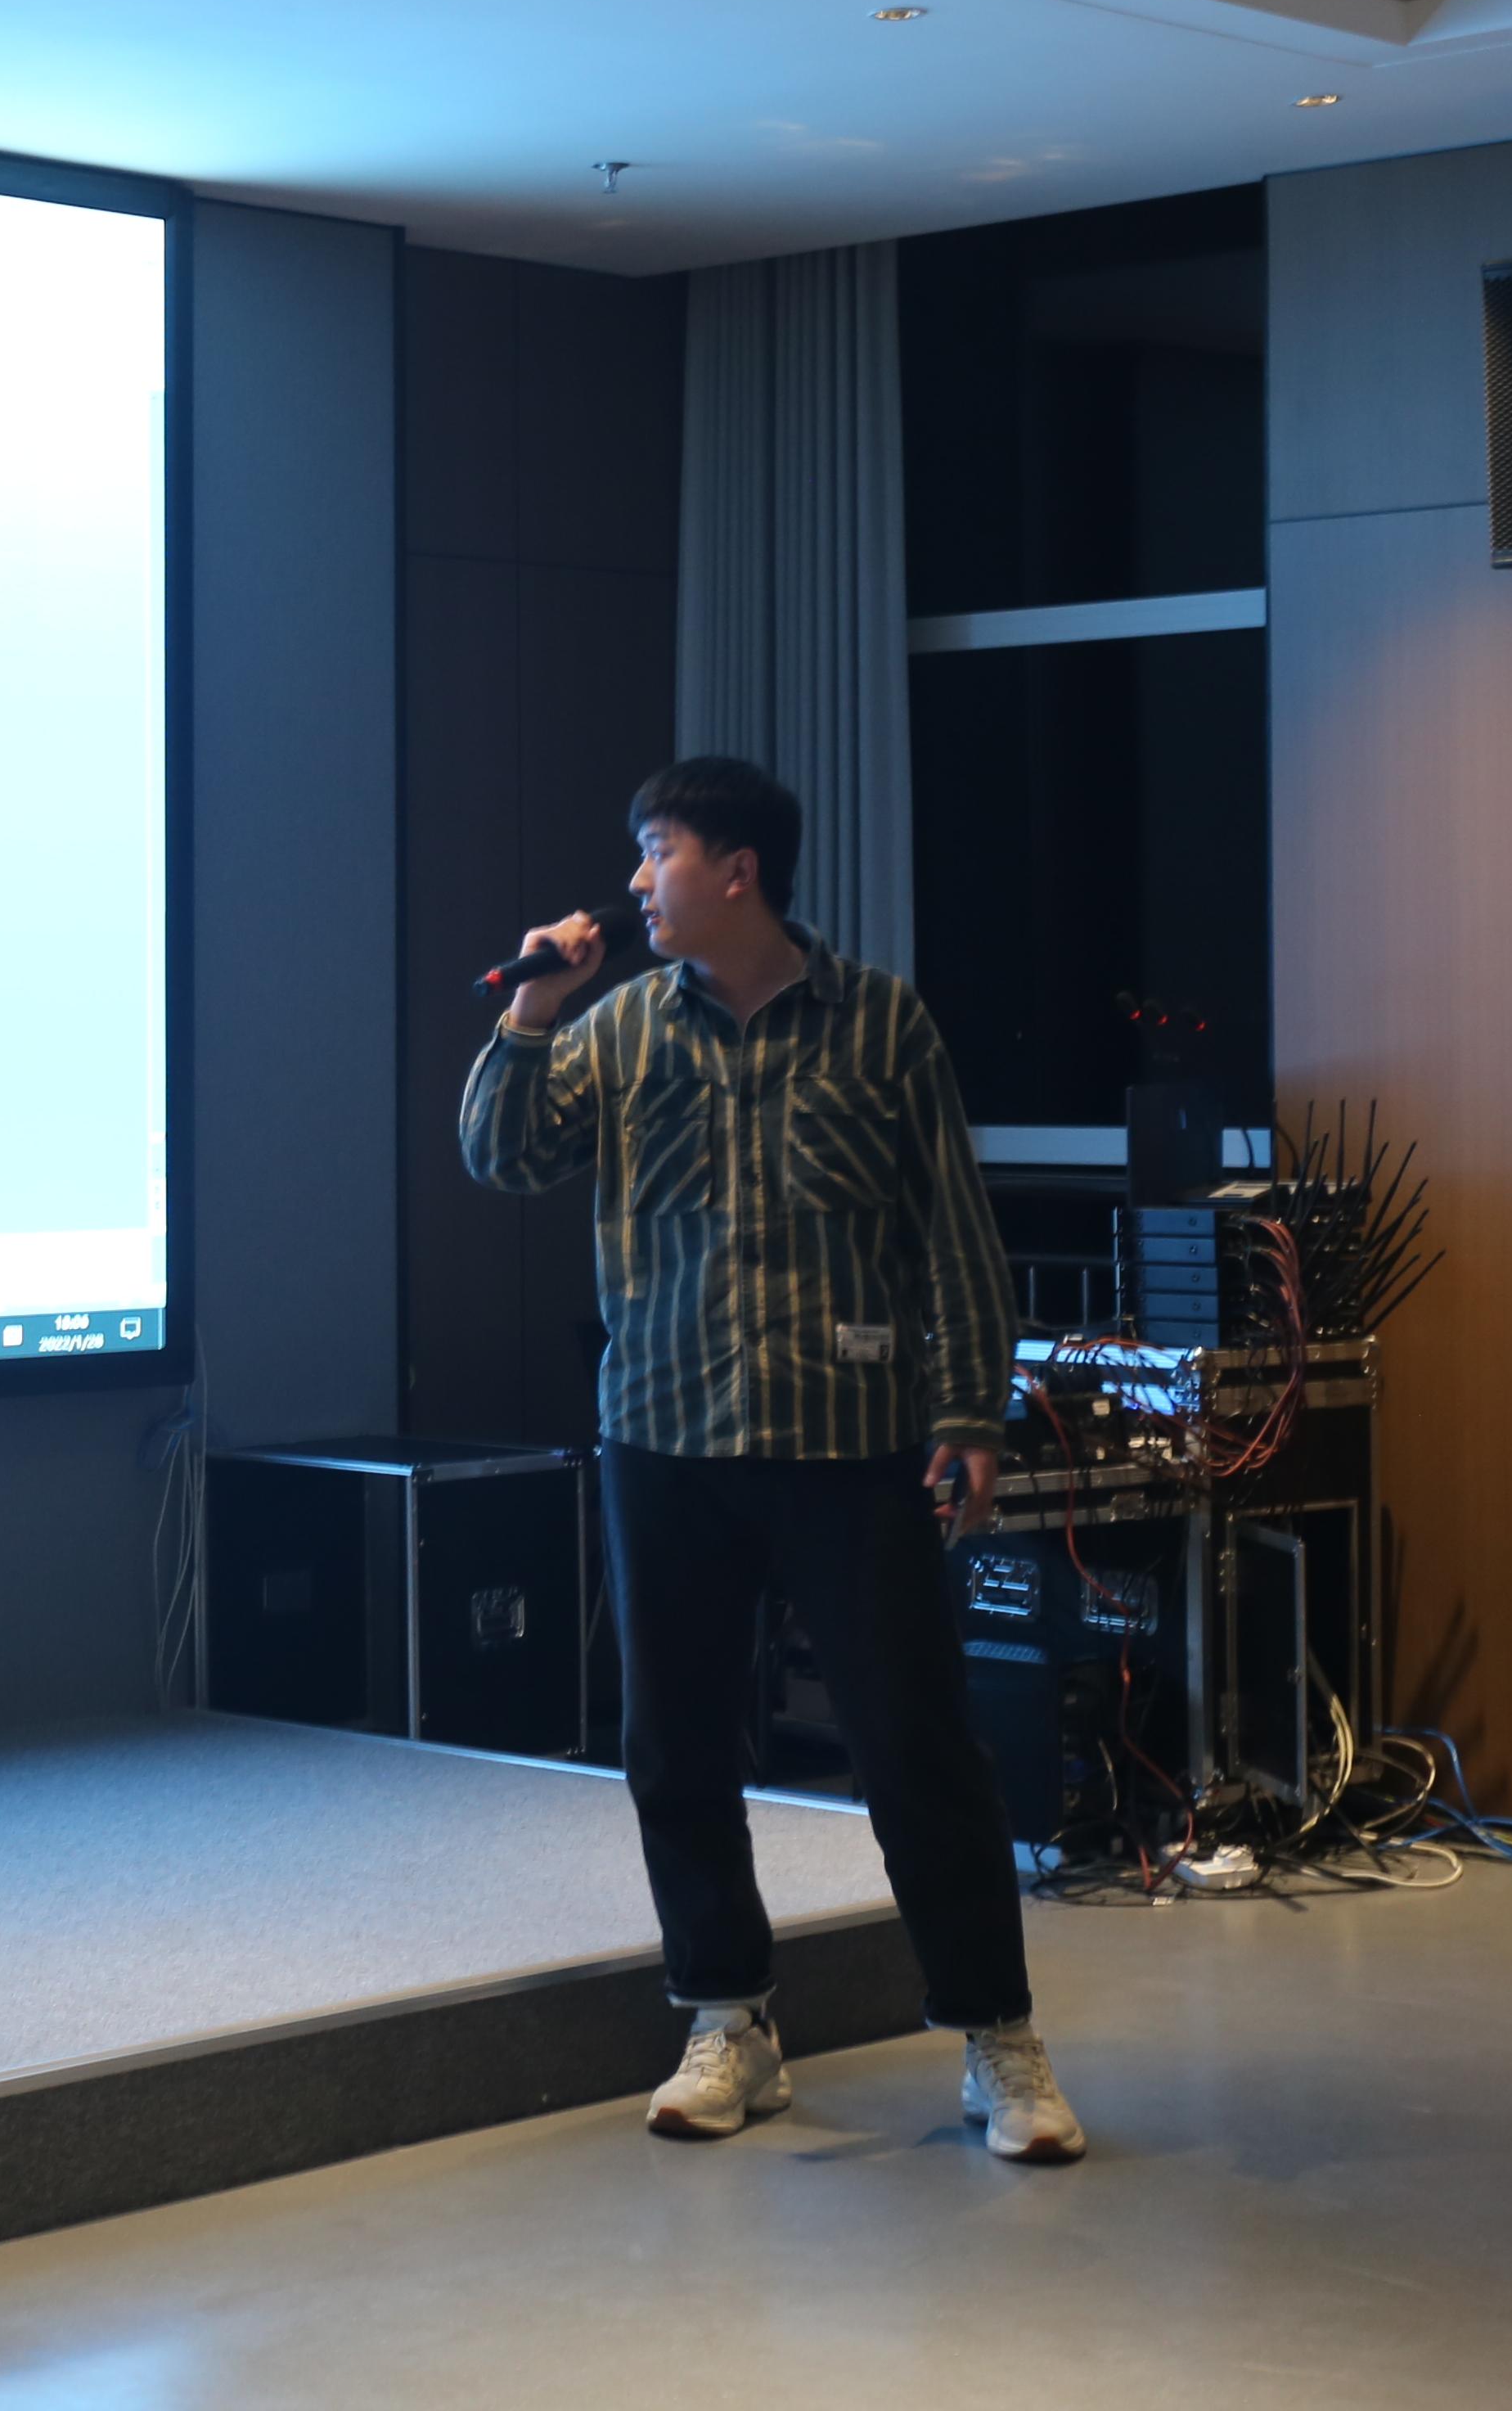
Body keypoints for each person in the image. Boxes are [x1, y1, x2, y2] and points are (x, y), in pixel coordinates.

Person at [457, 754, 1082, 2164]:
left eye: (658, 852)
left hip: (848, 1445)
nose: (636, 882)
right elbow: (502, 1156)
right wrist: (534, 1009)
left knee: (915, 1750)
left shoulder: (880, 1023)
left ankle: (998, 2037)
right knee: (678, 1747)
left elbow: (954, 1231)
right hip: (664, 1436)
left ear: (737, 870)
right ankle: (727, 2018)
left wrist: (971, 1415)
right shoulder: (621, 1027)